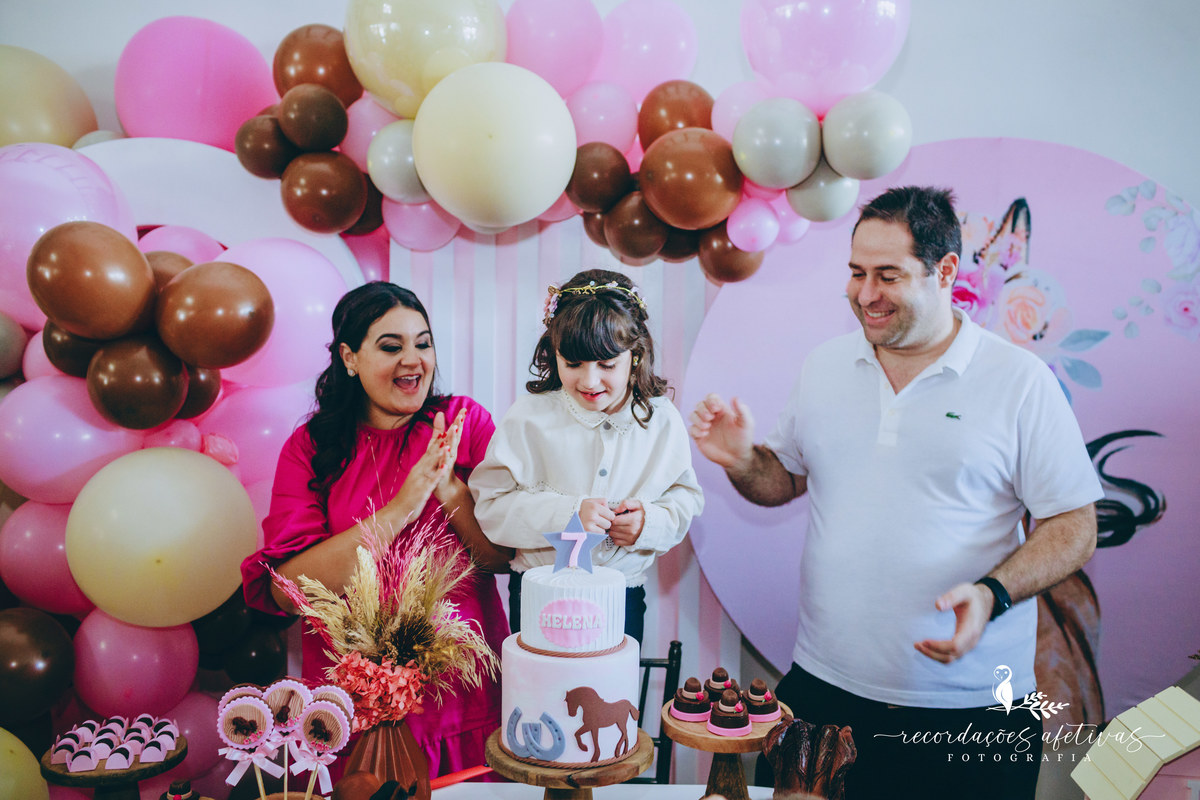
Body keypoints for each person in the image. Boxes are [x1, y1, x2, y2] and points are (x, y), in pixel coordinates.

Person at [689, 187, 1103, 799]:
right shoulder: (825, 366)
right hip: (822, 692)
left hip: (972, 712)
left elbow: (1074, 527)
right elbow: (781, 482)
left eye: (888, 275)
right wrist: (743, 460)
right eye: (856, 273)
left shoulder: (1019, 382)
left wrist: (992, 593)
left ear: (946, 272)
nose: (865, 294)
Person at [240, 281, 513, 778]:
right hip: (354, 711)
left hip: (462, 701)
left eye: (423, 343)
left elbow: (500, 558)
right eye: (391, 347)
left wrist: (449, 489)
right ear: (349, 357)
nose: (413, 360)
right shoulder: (311, 448)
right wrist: (403, 506)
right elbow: (286, 592)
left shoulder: (463, 423)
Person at [470, 269, 703, 644]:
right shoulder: (529, 417)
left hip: (621, 597)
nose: (590, 381)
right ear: (553, 354)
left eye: (607, 364)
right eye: (573, 364)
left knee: (611, 701)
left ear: (636, 355)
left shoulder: (661, 421)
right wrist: (568, 515)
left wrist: (649, 523)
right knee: (535, 696)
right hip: (537, 593)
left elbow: (685, 500)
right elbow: (491, 506)